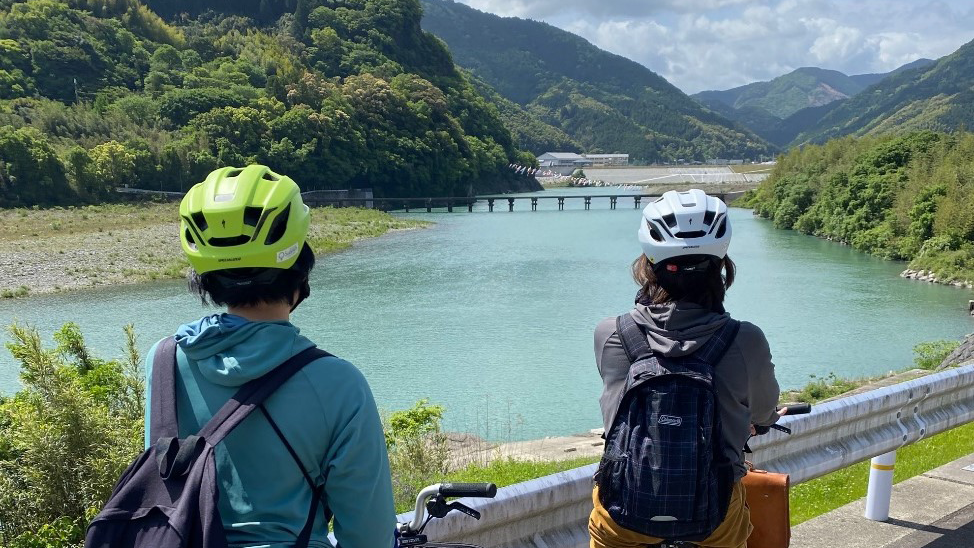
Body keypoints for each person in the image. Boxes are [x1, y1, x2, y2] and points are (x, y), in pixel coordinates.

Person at [143, 165, 395, 548]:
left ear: (203, 277)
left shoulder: (162, 361)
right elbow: (370, 537)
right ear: (300, 267)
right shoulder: (339, 384)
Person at [589, 189, 782, 548]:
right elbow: (763, 411)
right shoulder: (745, 340)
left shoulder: (612, 333)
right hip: (714, 512)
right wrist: (763, 419)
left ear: (647, 264)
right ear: (721, 267)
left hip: (622, 509)